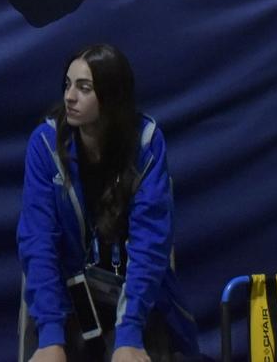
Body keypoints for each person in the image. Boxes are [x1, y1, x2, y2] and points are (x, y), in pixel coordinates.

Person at [18, 44, 198, 361]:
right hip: (63, 300)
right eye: (67, 85)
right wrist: (50, 336)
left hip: (135, 300)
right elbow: (38, 239)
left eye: (83, 88)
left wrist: (129, 333)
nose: (70, 97)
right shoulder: (45, 144)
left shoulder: (146, 141)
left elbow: (150, 242)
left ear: (112, 96)